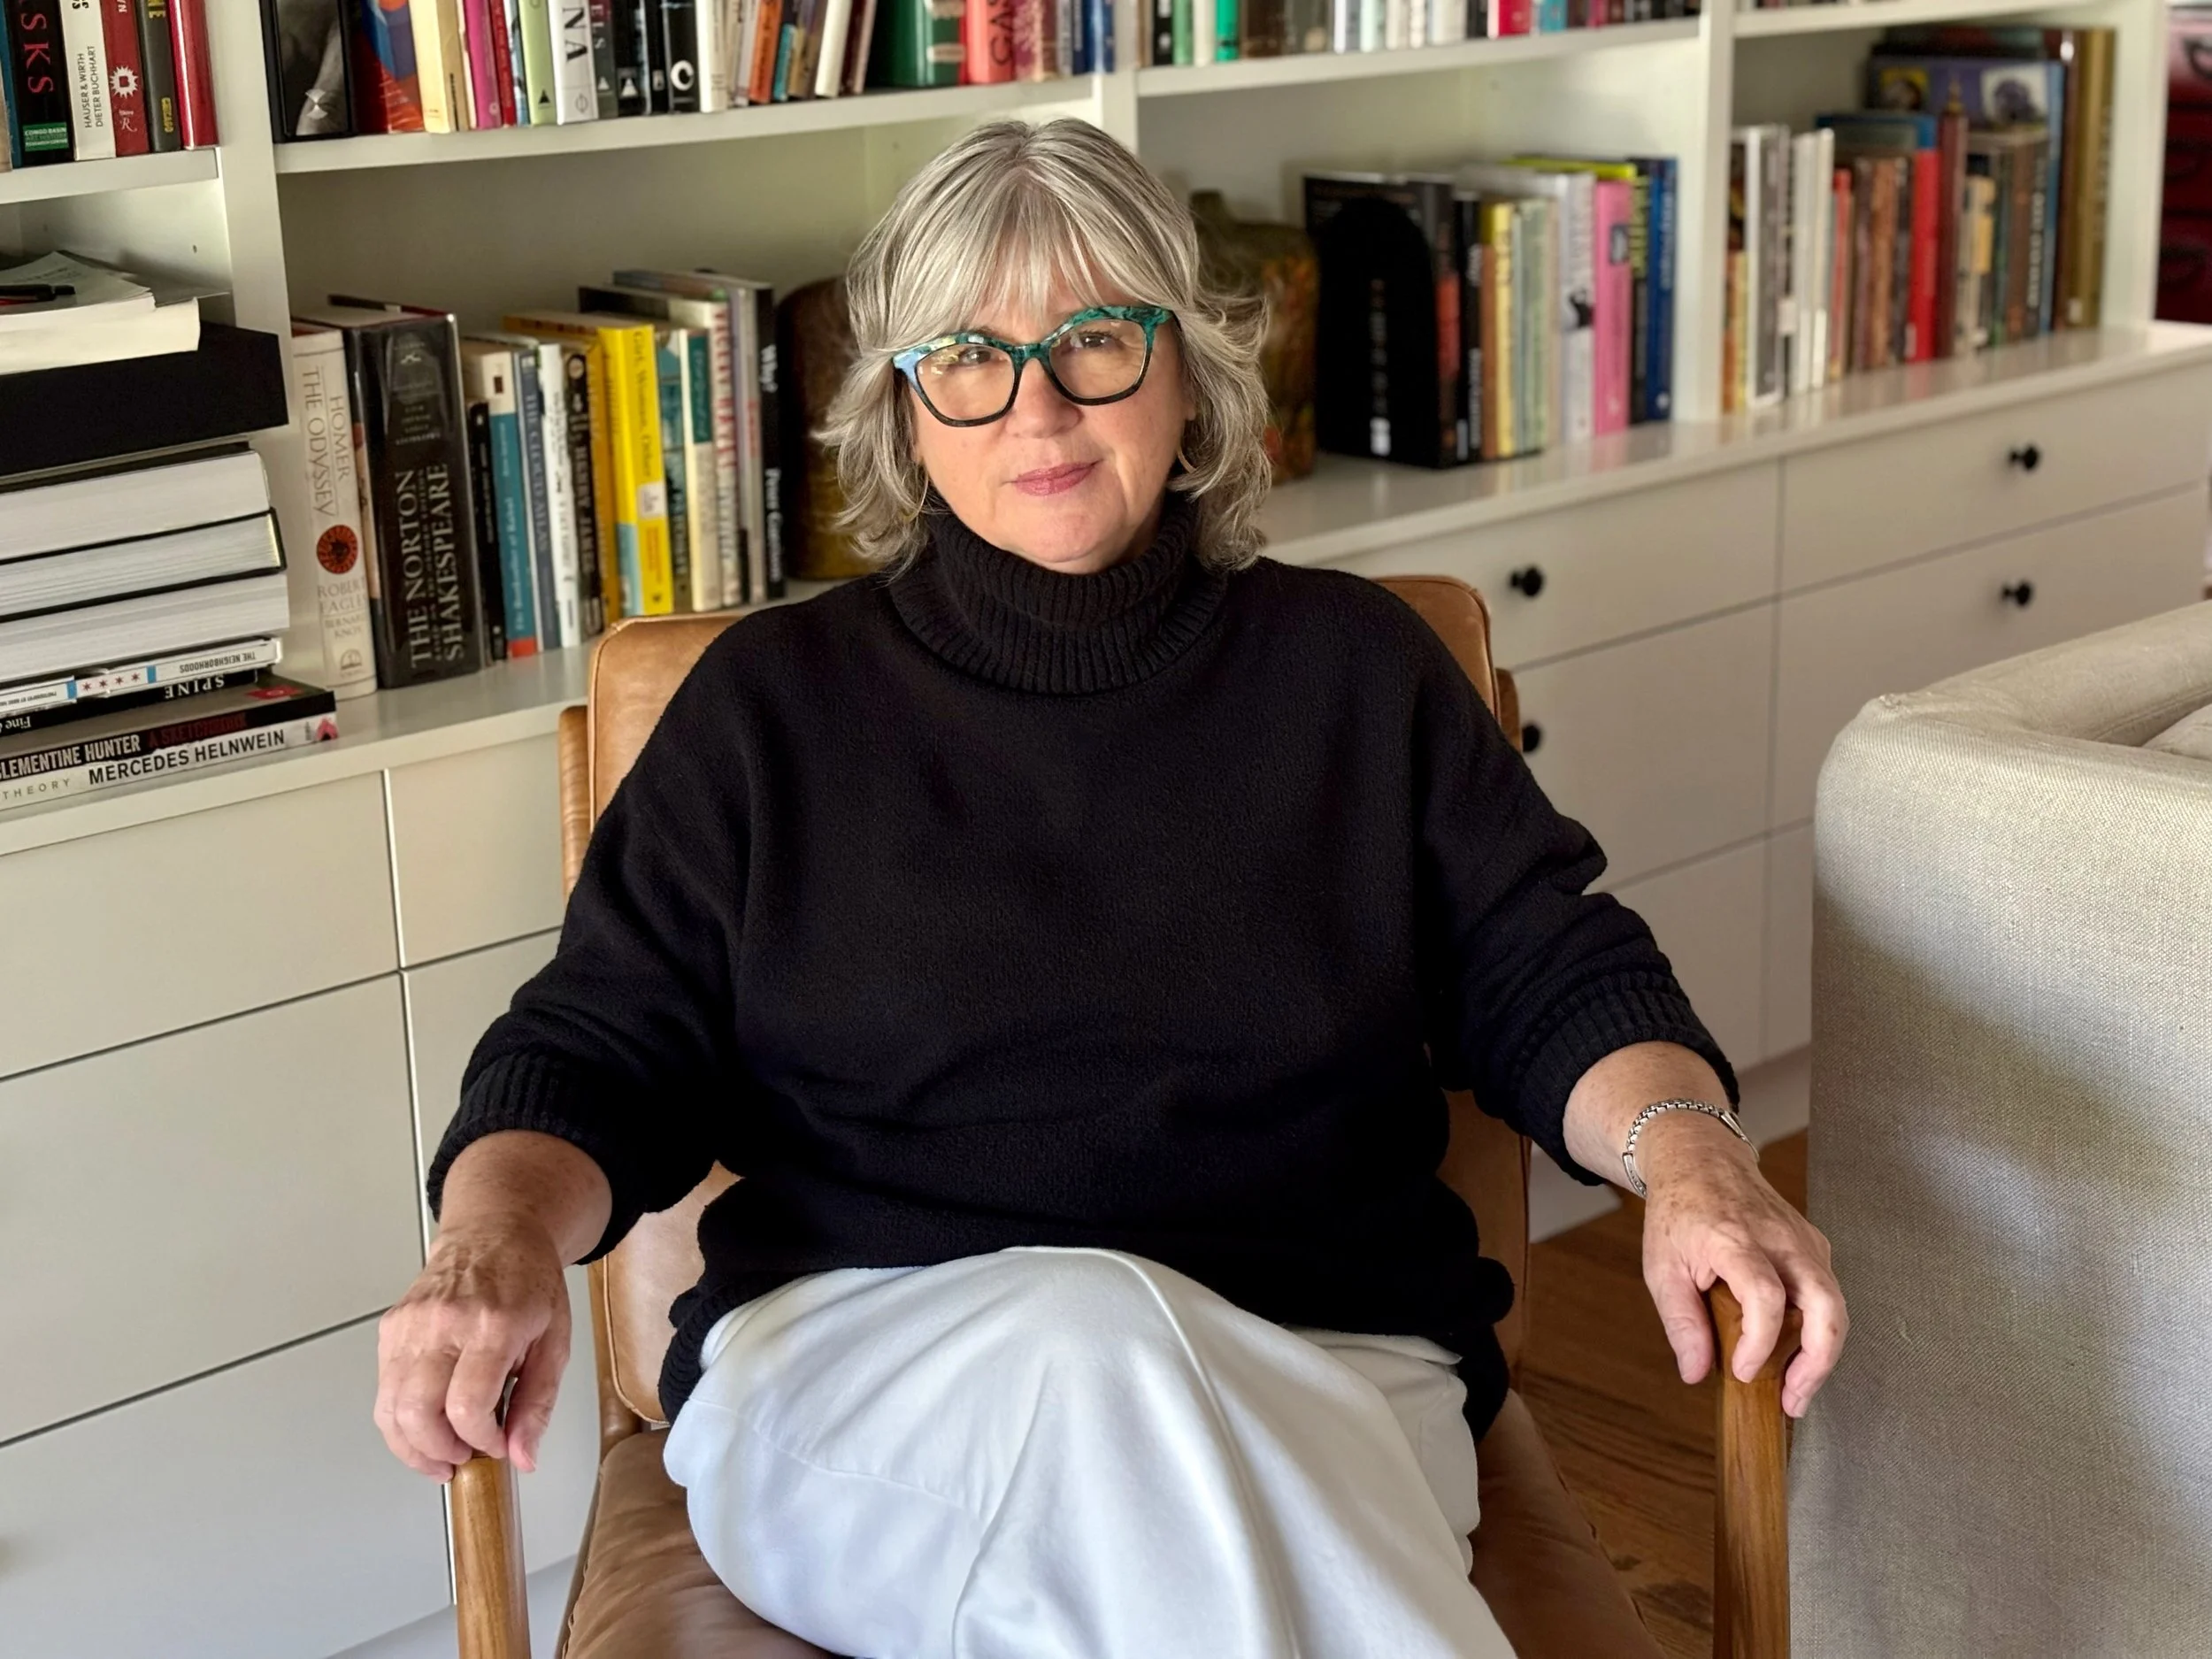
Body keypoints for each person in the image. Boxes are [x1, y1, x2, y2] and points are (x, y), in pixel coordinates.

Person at [375, 119, 1847, 1657]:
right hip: (859, 1377)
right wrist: (494, 1237)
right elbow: (602, 1042)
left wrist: (1693, 1157)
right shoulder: (769, 710)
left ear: (1189, 369)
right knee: (1095, 1348)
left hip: (1322, 1363)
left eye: (1096, 339)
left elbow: (1554, 970)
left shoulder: (1353, 675)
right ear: (904, 409)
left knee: (1128, 1438)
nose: (1040, 407)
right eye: (969, 357)